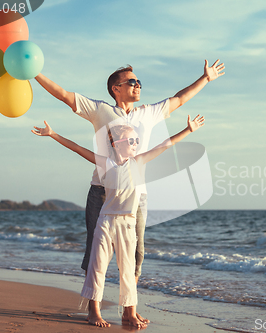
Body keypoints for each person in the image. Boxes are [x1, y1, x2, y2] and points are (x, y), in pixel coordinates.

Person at [35, 60, 224, 324]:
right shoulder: (100, 110)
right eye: (132, 82)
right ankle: (94, 309)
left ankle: (128, 309)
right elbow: (64, 95)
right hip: (102, 192)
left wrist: (206, 79)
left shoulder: (148, 113)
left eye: (139, 82)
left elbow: (180, 99)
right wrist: (34, 73)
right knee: (96, 252)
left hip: (137, 195)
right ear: (116, 88)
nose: (138, 85)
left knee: (136, 254)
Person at [31, 114, 205, 328]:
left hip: (128, 224)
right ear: (116, 143)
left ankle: (129, 313)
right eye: (131, 141)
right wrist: (53, 134)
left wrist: (188, 130)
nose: (135, 144)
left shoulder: (139, 161)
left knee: (128, 269)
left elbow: (164, 145)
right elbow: (77, 148)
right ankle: (93, 312)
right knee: (98, 267)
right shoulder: (106, 163)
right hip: (106, 222)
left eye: (137, 141)